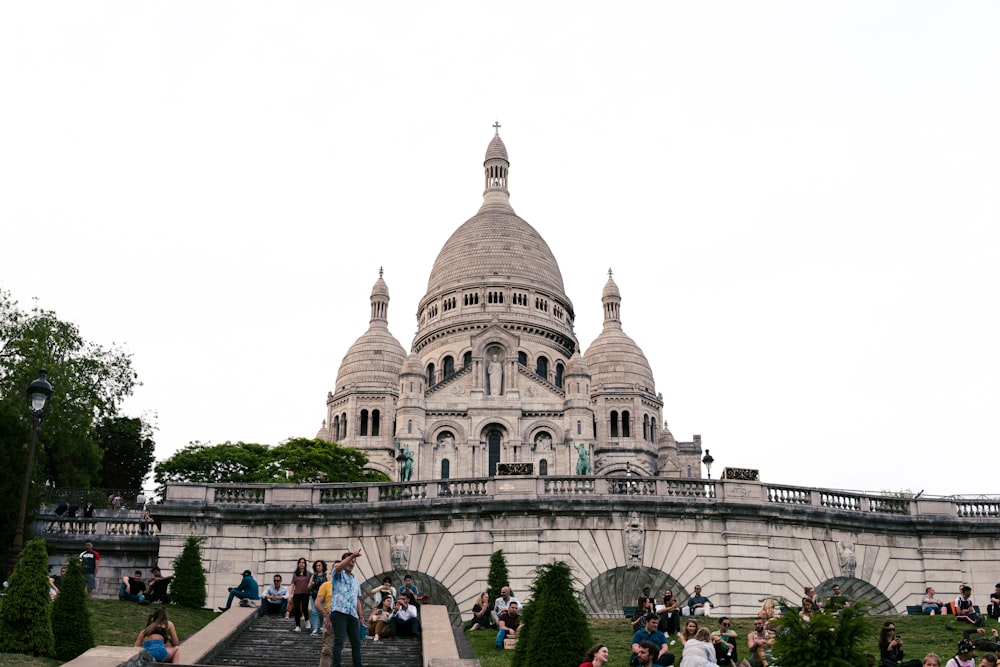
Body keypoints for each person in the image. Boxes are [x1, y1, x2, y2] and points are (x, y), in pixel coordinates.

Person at [323, 549, 363, 667]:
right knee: (339, 640)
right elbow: (339, 567)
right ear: (345, 561)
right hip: (339, 612)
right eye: (350, 561)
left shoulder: (355, 580)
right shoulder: (338, 573)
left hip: (353, 614)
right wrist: (352, 556)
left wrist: (360, 616)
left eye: (354, 562)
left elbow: (357, 599)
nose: (351, 563)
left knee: (356, 643)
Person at [289, 558, 312, 632]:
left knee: (305, 608)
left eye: (303, 562)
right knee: (296, 609)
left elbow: (311, 583)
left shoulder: (309, 574)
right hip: (297, 593)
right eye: (300, 562)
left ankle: (307, 620)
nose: (301, 564)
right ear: (298, 564)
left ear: (305, 564)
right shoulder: (295, 574)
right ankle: (297, 626)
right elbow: (292, 585)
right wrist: (290, 595)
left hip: (305, 593)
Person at [309, 559, 329, 637]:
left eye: (319, 565)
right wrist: (312, 584)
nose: (318, 567)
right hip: (314, 596)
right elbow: (308, 587)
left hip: (323, 597)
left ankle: (321, 627)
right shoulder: (313, 576)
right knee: (314, 612)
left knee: (321, 612)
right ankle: (314, 629)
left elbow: (330, 586)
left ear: (323, 566)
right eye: (316, 565)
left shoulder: (326, 575)